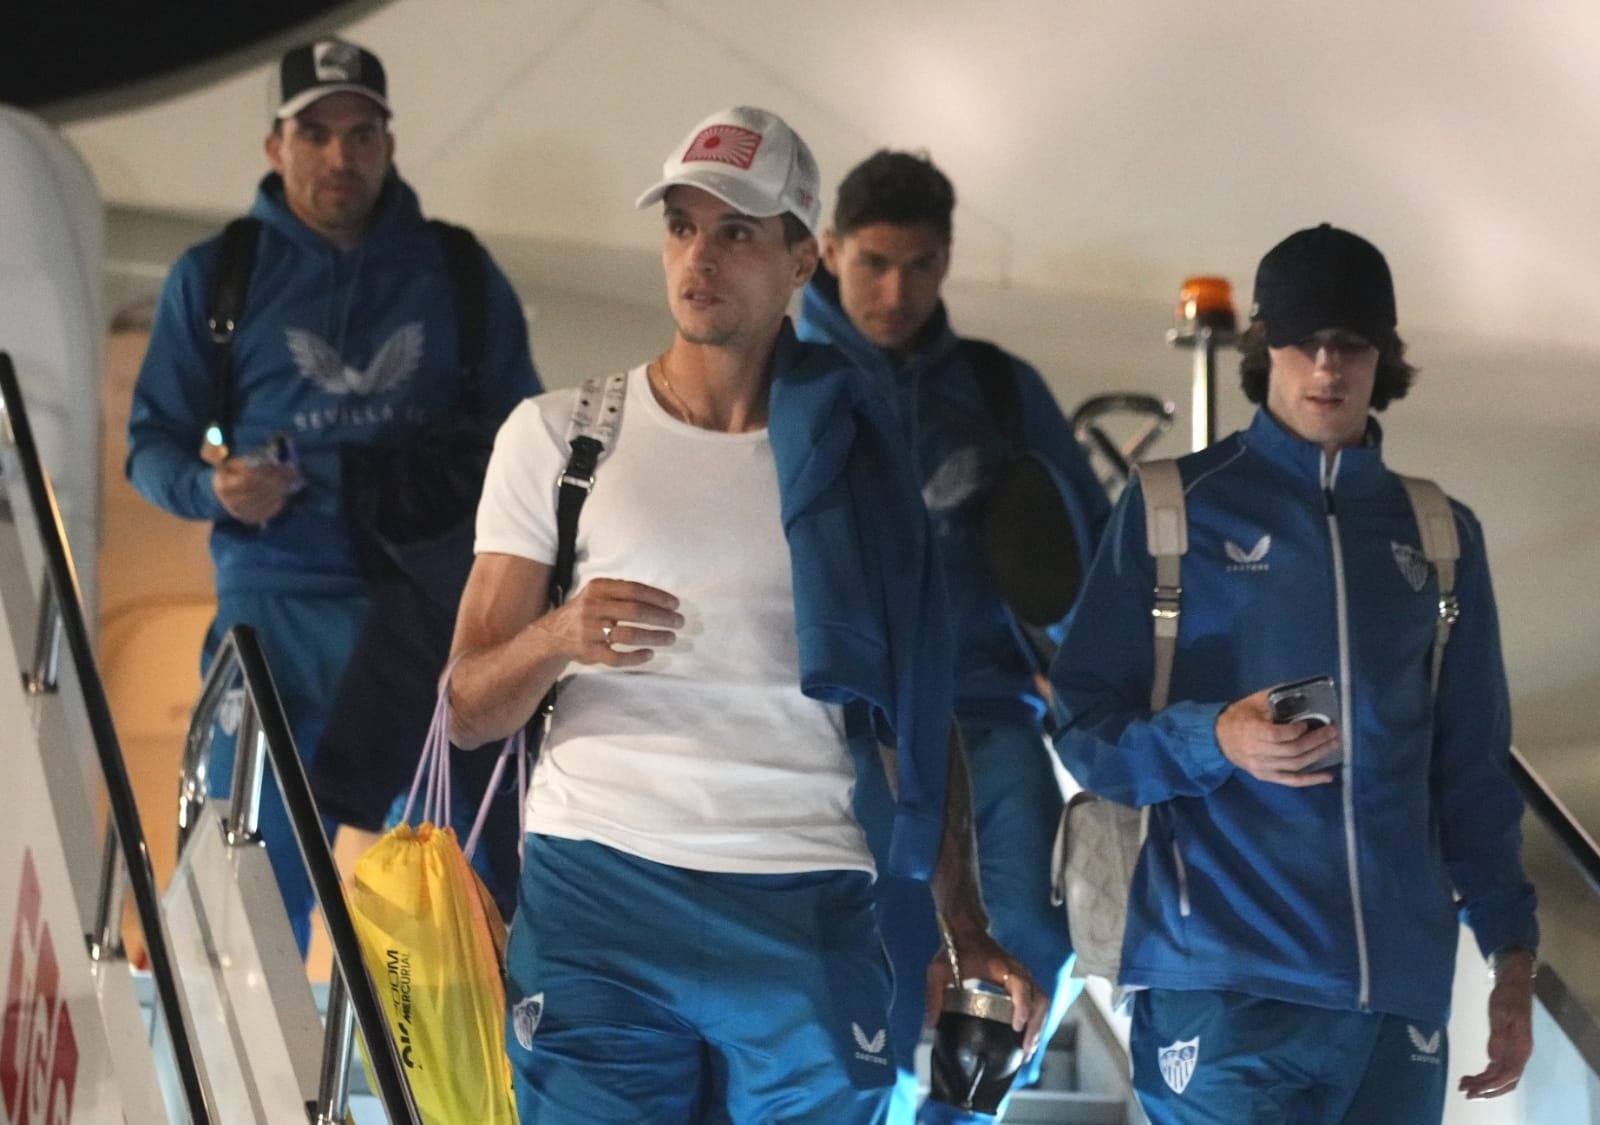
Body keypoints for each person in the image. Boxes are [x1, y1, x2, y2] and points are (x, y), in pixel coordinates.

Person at [447, 106, 1045, 1123]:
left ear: (802, 258)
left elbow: (916, 711)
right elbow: (464, 707)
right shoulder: (558, 437)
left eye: (735, 232)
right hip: (599, 886)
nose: (700, 257)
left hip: (803, 892)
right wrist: (556, 635)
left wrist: (964, 925)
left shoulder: (860, 465)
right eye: (681, 226)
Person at [1051, 223, 1538, 1123]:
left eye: (1351, 341)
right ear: (1264, 345)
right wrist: (1216, 738)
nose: (1327, 364)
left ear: (1382, 355)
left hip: (1392, 998)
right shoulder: (1171, 509)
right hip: (1221, 981)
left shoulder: (1440, 535)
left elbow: (1472, 770)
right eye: (1304, 338)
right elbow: (1084, 732)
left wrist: (1512, 959)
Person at [126, 37, 539, 951]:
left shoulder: (459, 274)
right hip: (274, 607)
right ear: (276, 145)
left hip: (432, 615)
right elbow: (147, 448)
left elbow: (531, 449)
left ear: (390, 143)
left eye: (361, 133)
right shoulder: (218, 275)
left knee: (459, 895)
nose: (339, 157)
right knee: (250, 887)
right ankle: (245, 1090)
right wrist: (215, 486)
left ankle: (444, 1090)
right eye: (315, 133)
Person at [796, 149, 1110, 1121]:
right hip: (831, 726)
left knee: (1018, 942)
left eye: (920, 265)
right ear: (827, 251)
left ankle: (954, 1115)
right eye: (874, 264)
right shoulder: (774, 383)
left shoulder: (999, 391)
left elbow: (1090, 567)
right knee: (862, 964)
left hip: (985, 711)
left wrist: (1086, 680)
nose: (896, 290)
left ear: (945, 262)